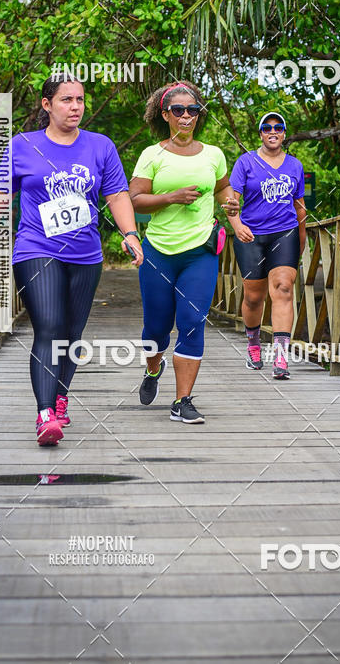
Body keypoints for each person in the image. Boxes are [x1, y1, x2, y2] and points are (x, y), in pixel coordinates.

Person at [0, 76, 143, 445]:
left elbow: (116, 195)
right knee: (49, 327)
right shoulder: (23, 145)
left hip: (86, 254)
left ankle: (62, 396)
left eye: (80, 99)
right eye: (66, 100)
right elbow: (2, 191)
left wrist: (129, 234)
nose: (76, 106)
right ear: (47, 105)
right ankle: (45, 413)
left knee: (72, 334)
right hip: (36, 249)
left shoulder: (101, 146)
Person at [129, 81, 239, 424]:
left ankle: (183, 401)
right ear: (166, 115)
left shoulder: (214, 154)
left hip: (200, 252)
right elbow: (134, 200)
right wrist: (170, 198)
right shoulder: (152, 155)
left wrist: (233, 211)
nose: (187, 116)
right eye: (179, 110)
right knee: (156, 329)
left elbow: (223, 189)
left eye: (193, 110)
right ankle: (152, 369)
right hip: (158, 252)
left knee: (192, 322)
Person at [226, 112, 306, 378]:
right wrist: (237, 226)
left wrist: (301, 239)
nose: (273, 131)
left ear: (284, 134)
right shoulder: (246, 162)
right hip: (252, 235)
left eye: (279, 127)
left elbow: (300, 207)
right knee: (253, 297)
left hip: (285, 233)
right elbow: (231, 203)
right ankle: (253, 344)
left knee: (283, 289)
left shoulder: (295, 166)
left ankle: (281, 357)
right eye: (268, 127)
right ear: (261, 133)